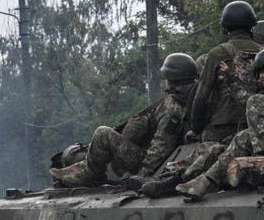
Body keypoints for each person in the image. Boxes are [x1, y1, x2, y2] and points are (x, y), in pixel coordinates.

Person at [50, 53, 199, 187]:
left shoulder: (173, 107)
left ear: (171, 79)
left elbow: (161, 146)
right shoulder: (191, 95)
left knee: (103, 134)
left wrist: (141, 176)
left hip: (149, 162)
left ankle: (90, 174)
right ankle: (81, 170)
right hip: (162, 157)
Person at [176, 48, 264, 200]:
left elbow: (252, 102)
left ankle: (263, 165)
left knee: (249, 120)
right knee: (231, 141)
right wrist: (230, 79)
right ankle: (202, 181)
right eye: (261, 72)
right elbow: (247, 101)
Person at [188, 0, 264, 144]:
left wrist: (196, 128)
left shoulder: (218, 53)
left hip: (225, 124)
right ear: (252, 25)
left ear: (225, 27)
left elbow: (202, 96)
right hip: (258, 121)